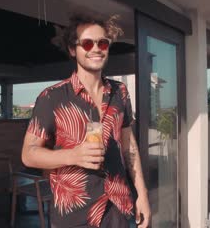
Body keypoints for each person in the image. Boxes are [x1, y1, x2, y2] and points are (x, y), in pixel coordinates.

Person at [21, 13, 151, 228]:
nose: (96, 49)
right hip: (74, 215)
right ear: (73, 49)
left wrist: (142, 194)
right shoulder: (51, 97)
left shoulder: (120, 92)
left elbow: (129, 147)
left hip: (117, 206)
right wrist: (73, 155)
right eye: (88, 43)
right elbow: (28, 155)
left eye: (102, 43)